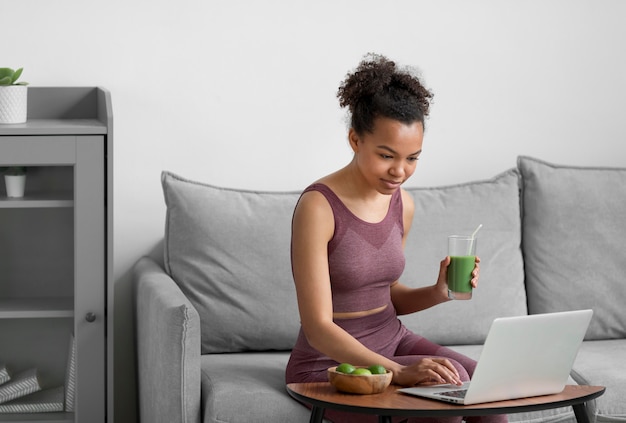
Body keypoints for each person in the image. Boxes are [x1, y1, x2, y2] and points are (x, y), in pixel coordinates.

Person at [285, 53, 507, 423]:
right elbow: (318, 328)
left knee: (491, 389)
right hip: (329, 363)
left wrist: (439, 291)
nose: (400, 172)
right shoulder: (318, 207)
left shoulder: (403, 204)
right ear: (355, 139)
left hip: (393, 338)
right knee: (442, 402)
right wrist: (399, 372)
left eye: (412, 158)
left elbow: (386, 295)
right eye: (387, 155)